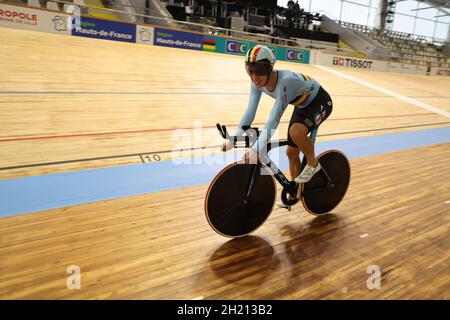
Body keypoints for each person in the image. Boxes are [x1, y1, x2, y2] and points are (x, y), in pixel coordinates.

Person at [221, 45, 333, 207]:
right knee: (291, 152)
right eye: (250, 71)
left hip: (319, 101)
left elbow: (273, 120)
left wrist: (255, 149)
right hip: (302, 106)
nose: (255, 77)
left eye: (259, 71)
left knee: (296, 133)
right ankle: (296, 192)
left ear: (269, 69)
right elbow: (249, 113)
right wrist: (234, 139)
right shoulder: (256, 83)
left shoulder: (285, 82)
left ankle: (312, 164)